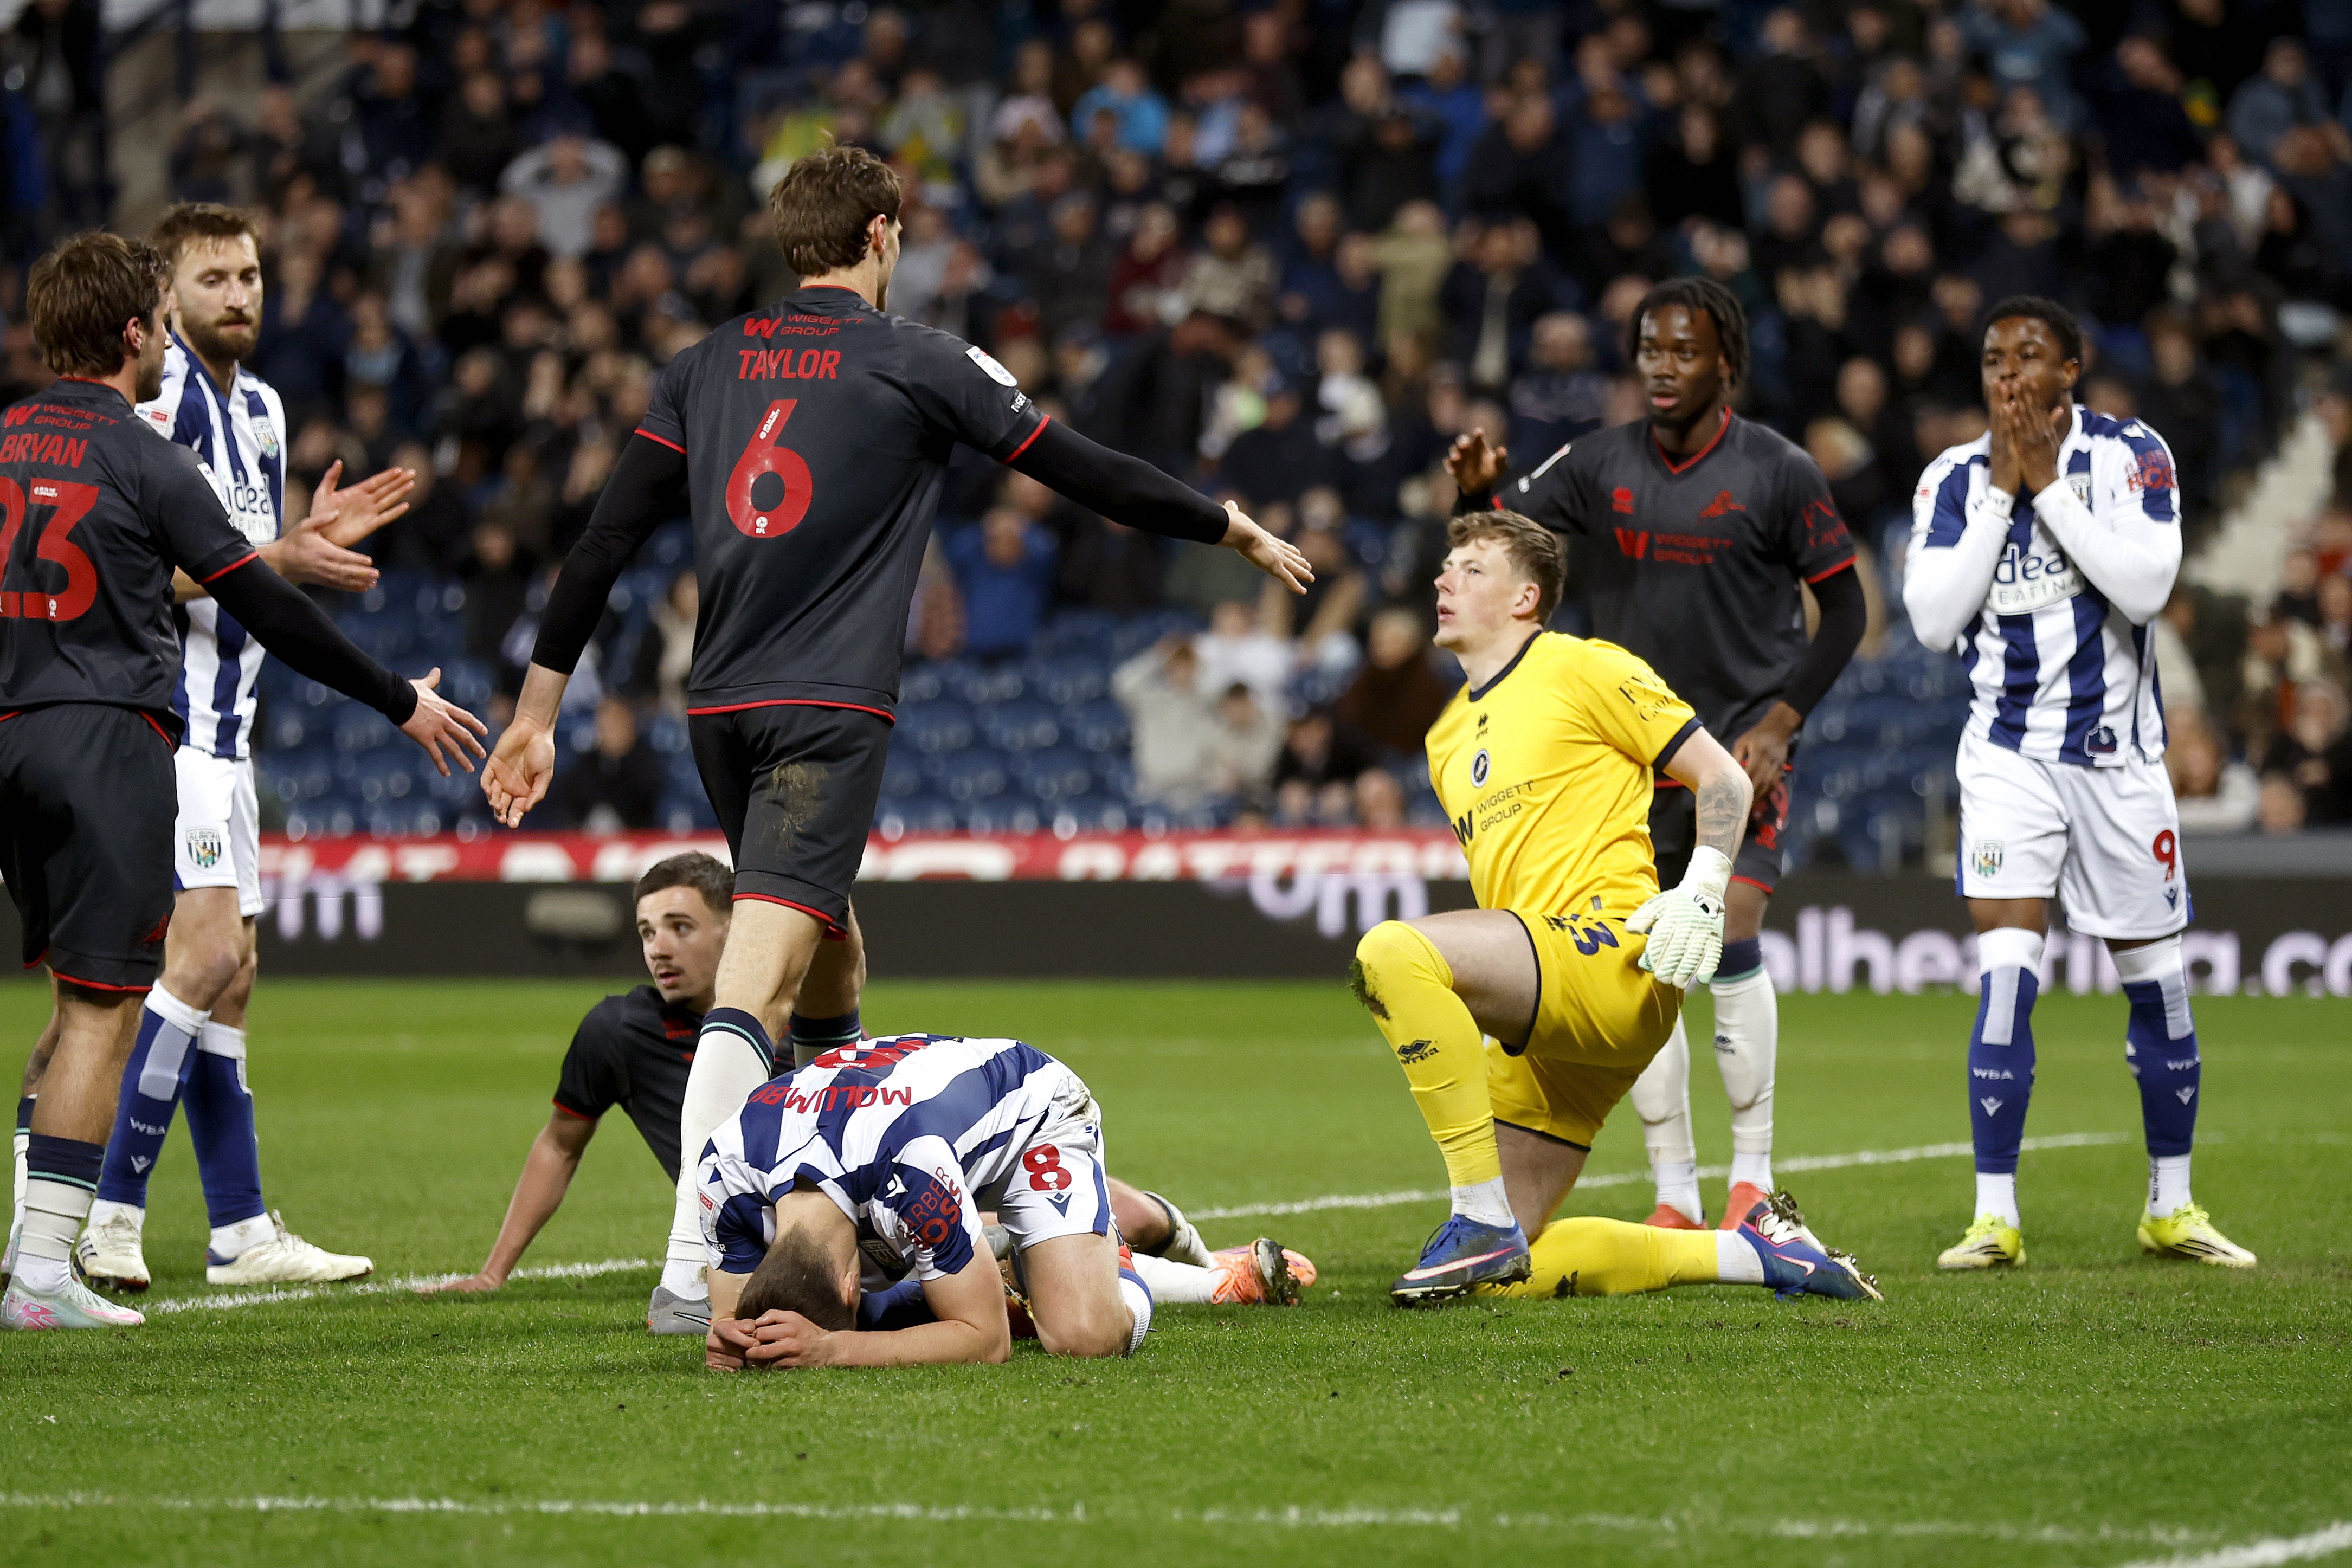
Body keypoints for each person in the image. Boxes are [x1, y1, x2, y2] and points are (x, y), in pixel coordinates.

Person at [478, 146, 1311, 1333]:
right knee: (753, 986)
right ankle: (686, 1268)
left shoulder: (700, 366)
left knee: (833, 958)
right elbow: (1078, 469)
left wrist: (537, 711)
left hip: (720, 708)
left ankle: (842, 1142)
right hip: (827, 711)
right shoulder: (920, 359)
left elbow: (602, 545)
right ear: (881, 234)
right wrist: (1221, 522)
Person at [0, 230, 483, 1330]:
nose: (174, 334)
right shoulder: (143, 450)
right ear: (135, 331)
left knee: (127, 989)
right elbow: (265, 606)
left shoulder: (7, 441)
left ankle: (202, 1226)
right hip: (114, 739)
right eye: (166, 316)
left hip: (13, 728)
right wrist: (398, 699)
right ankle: (57, 1260)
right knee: (102, 1006)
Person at [1348, 511, 1878, 1308]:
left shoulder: (1583, 667)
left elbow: (1726, 780)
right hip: (1550, 998)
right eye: (1445, 565)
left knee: (1388, 954)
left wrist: (1700, 889)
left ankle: (1475, 1212)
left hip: (1611, 954)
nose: (1441, 579)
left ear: (1526, 596)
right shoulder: (1445, 737)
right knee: (1498, 1283)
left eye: (1470, 568)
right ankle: (1753, 1253)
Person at [423, 853, 1302, 1320]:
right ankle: (1190, 1264)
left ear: (741, 932)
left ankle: (1181, 1252)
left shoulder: (786, 1002)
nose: (658, 946)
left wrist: (807, 877)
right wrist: (495, 1272)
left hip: (877, 1189)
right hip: (795, 1227)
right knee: (966, 1264)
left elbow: (841, 984)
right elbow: (558, 1142)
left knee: (1002, 1256)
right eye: (647, 928)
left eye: (681, 926)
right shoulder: (615, 1032)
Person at [1446, 278, 1867, 1235]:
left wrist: (1782, 719)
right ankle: (1673, 1189)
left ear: (1725, 362)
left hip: (1737, 748)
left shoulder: (1778, 470)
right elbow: (1500, 539)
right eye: (1648, 349)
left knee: (1728, 928)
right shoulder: (1600, 462)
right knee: (1640, 956)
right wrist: (1475, 490)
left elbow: (1843, 607)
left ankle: (1750, 1176)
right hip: (1628, 754)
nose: (1662, 367)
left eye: (1682, 351)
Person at [66, 206, 421, 1294]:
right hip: (165, 722)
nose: (242, 294)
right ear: (162, 299)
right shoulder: (155, 408)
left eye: (254, 274)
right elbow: (144, 567)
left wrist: (287, 555)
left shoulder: (261, 411)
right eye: (215, 276)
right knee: (204, 960)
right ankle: (109, 1214)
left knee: (234, 980)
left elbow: (251, 570)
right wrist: (279, 562)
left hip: (234, 732)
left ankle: (237, 1229)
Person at [1903, 295, 2254, 1271]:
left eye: (2028, 356)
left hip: (2118, 762)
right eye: (1991, 358)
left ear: (2072, 367)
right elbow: (1932, 621)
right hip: (2007, 758)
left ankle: (2169, 1205)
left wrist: (2046, 488)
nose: (2007, 374)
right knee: (2007, 974)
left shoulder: (2131, 454)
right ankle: (1992, 1214)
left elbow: (2144, 589)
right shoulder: (1949, 476)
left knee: (2156, 987)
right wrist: (2001, 492)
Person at [699, 1027, 1311, 1371]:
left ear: (850, 1288)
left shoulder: (913, 1176)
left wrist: (835, 1348)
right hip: (903, 1134)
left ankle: (1116, 1248)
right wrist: (730, 1339)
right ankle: (1021, 1254)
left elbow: (984, 1340)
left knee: (1082, 1336)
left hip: (1035, 1110)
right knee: (910, 1290)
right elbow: (733, 1315)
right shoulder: (720, 1171)